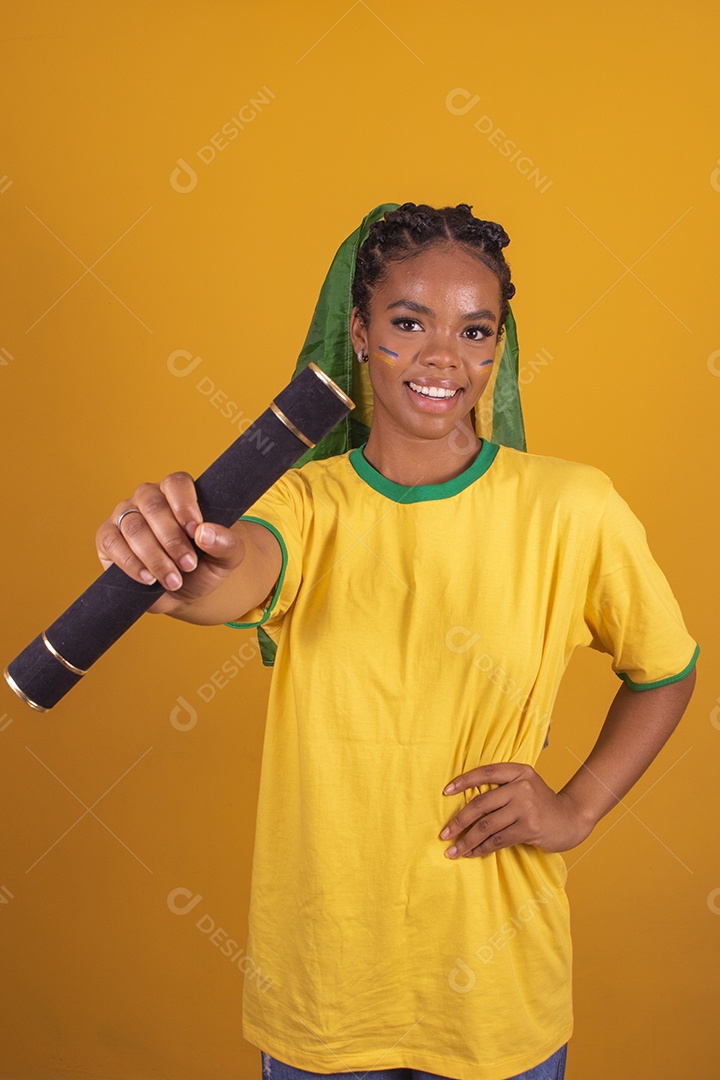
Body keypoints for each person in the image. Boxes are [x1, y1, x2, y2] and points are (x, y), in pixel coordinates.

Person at [96, 203, 699, 1080]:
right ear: (358, 332)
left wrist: (577, 808)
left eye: (474, 330)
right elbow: (235, 572)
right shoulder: (304, 503)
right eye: (410, 322)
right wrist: (178, 565)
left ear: (499, 348)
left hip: (499, 995)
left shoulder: (575, 507)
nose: (443, 358)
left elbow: (666, 671)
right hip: (324, 993)